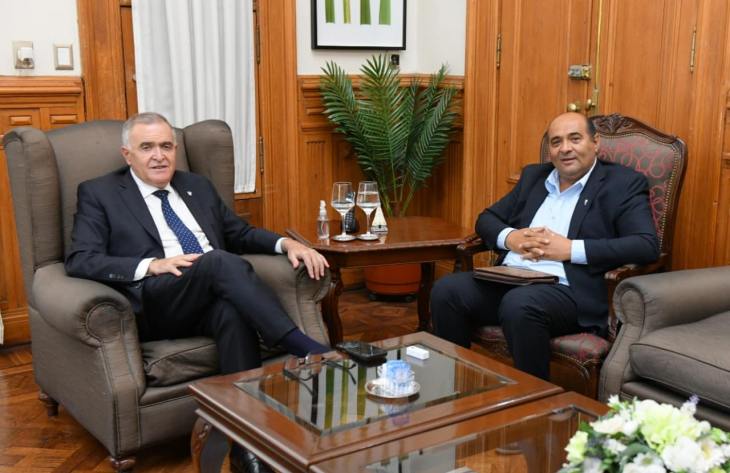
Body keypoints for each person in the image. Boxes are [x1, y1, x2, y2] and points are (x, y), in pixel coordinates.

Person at [65, 112, 329, 473]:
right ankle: (302, 345)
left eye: (166, 146)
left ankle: (246, 447)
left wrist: (287, 244)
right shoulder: (100, 193)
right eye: (147, 147)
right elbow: (81, 259)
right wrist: (151, 265)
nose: (159, 156)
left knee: (232, 313)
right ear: (127, 154)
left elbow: (239, 234)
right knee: (217, 261)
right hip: (156, 300)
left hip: (209, 295)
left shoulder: (196, 186)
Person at [430, 112, 659, 380]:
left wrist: (570, 249)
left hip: (568, 290)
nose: (565, 148)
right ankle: (455, 384)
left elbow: (645, 245)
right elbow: (487, 219)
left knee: (520, 304)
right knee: (447, 290)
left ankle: (533, 398)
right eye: (556, 142)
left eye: (575, 139)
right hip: (510, 279)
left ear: (595, 142)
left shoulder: (622, 183)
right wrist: (511, 238)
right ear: (549, 150)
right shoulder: (534, 177)